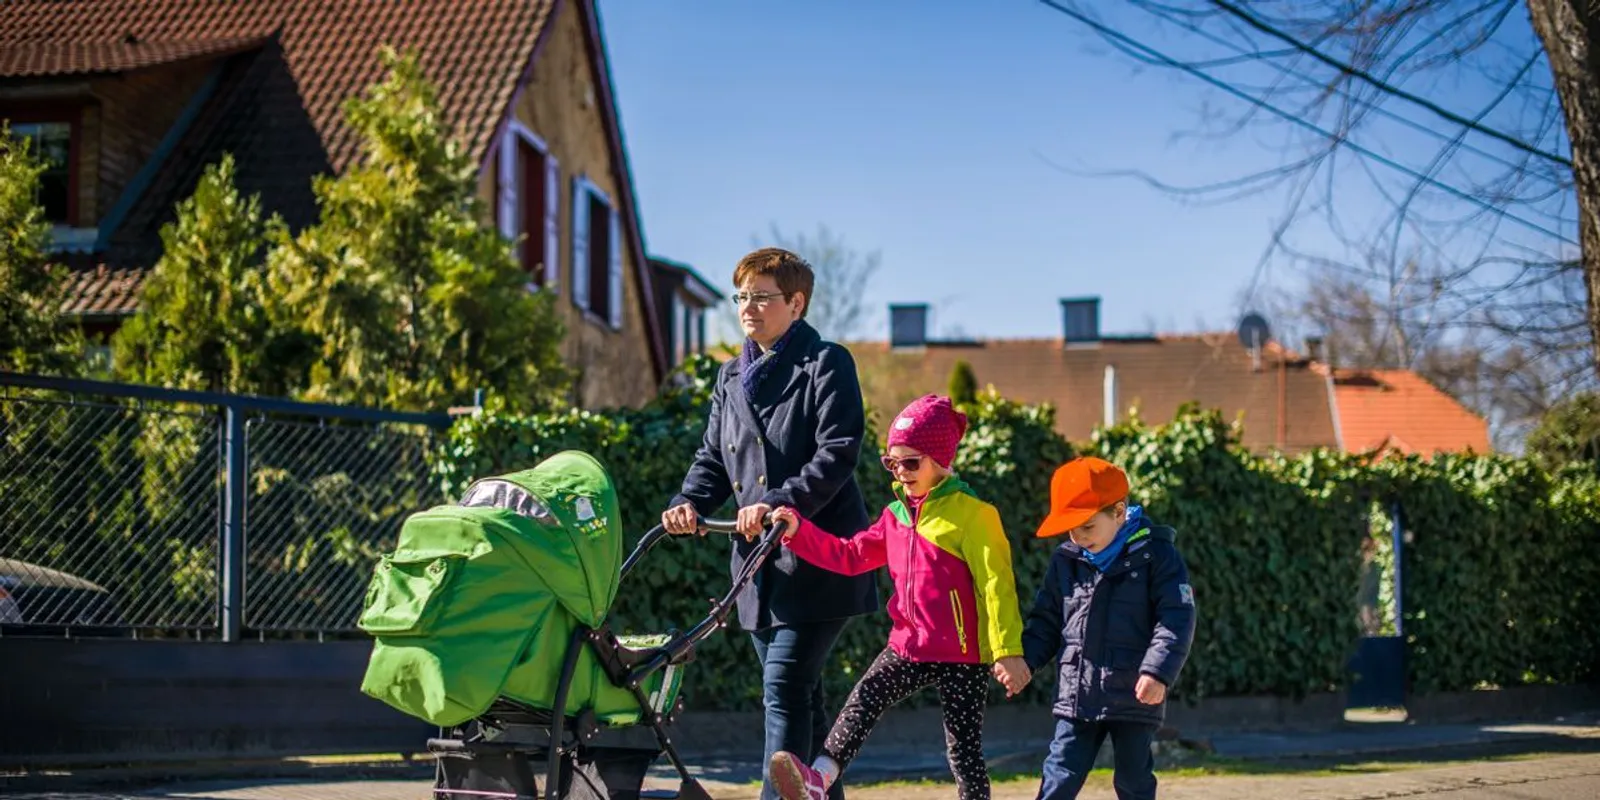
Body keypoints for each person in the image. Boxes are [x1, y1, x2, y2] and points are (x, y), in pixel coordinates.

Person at [661, 247, 879, 800]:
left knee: (783, 688)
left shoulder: (826, 363)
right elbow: (714, 457)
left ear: (796, 302)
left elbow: (838, 452)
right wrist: (688, 499)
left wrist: (781, 504)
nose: (747, 307)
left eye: (762, 296)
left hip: (818, 560)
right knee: (805, 699)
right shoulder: (730, 376)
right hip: (758, 570)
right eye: (741, 297)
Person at [765, 394, 1029, 800]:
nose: (900, 471)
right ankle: (818, 780)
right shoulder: (895, 517)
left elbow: (997, 585)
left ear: (940, 460)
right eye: (892, 462)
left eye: (911, 462)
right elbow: (850, 556)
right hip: (908, 645)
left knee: (964, 750)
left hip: (965, 654)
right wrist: (798, 532)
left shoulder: (975, 515)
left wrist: (1007, 650)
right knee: (863, 700)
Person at [996, 456, 1196, 800]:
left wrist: (1158, 672)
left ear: (1118, 512)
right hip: (1077, 695)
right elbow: (1046, 620)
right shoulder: (1066, 560)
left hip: (1134, 692)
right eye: (1070, 528)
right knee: (1059, 773)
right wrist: (1025, 661)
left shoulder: (1157, 555)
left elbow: (1176, 617)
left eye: (1087, 526)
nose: (1078, 536)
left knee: (1133, 781)